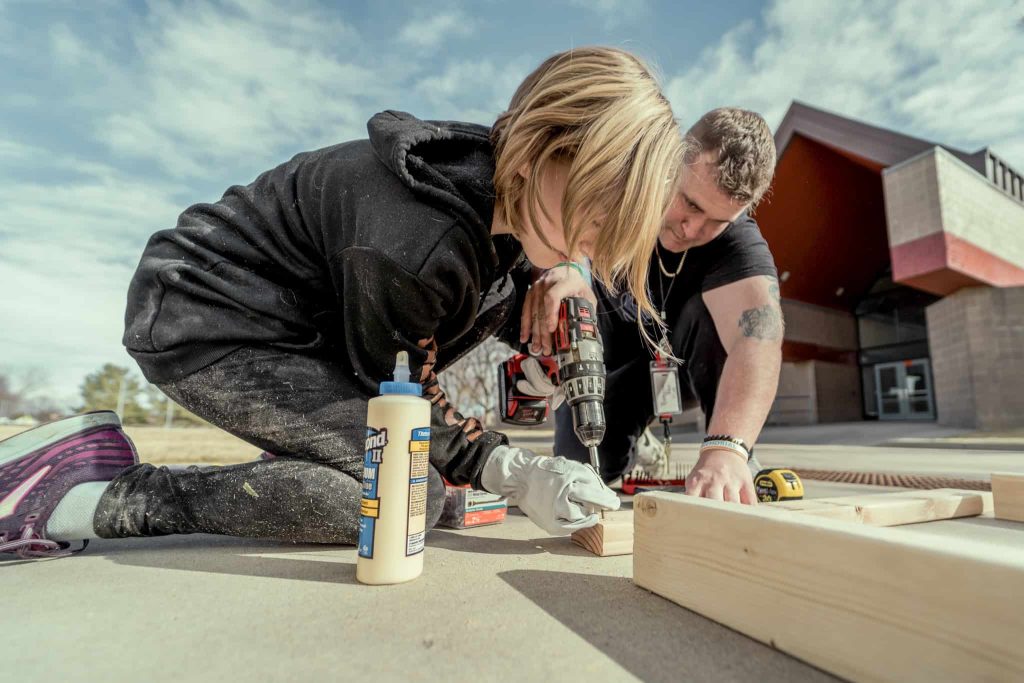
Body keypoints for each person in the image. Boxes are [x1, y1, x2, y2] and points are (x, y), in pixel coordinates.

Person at [0, 47, 684, 559]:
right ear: (540, 146)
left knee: (421, 490)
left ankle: (298, 455)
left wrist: (538, 345)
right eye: (595, 206)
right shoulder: (425, 237)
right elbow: (397, 394)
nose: (592, 240)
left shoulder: (504, 221)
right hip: (202, 315)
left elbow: (453, 323)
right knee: (400, 501)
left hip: (291, 330)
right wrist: (511, 467)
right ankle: (85, 493)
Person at [519, 108, 780, 505]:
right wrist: (567, 265)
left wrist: (728, 447)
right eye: (690, 203)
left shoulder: (737, 245)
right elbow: (561, 198)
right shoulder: (626, 183)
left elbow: (757, 342)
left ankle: (728, 460)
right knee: (580, 472)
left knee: (721, 319)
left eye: (716, 220)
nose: (692, 229)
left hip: (685, 367)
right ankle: (638, 440)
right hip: (618, 365)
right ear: (671, 161)